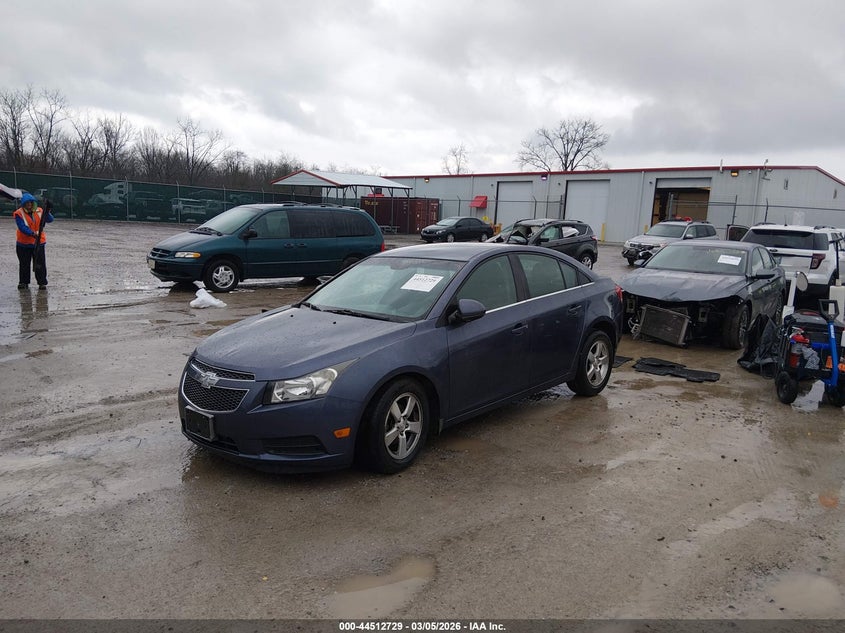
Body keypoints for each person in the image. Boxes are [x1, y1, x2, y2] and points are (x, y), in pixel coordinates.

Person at [13, 192, 54, 289]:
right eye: (27, 203)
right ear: (23, 204)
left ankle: (42, 283)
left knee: (40, 264)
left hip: (39, 242)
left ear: (33, 203)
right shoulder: (19, 213)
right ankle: (23, 282)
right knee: (24, 264)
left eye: (30, 203)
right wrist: (32, 233)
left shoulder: (40, 210)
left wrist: (47, 211)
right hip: (24, 243)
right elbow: (22, 227)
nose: (29, 205)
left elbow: (50, 219)